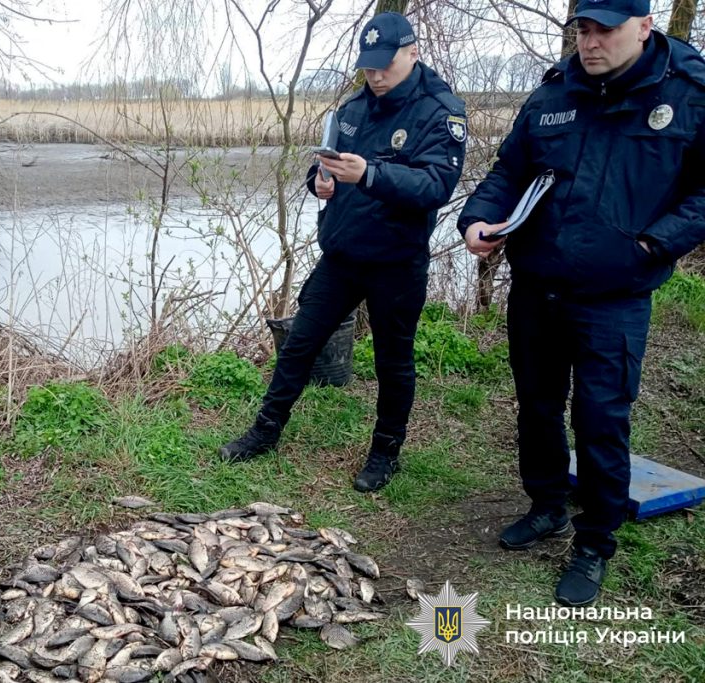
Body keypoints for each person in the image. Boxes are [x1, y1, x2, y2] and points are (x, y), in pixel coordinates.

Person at [459, 0, 705, 606]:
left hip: (615, 298)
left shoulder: (689, 94)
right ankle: (547, 507)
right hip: (538, 287)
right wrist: (479, 218)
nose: (590, 43)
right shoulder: (551, 98)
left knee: (600, 420)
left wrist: (653, 243)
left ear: (645, 28)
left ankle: (594, 543)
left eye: (605, 31)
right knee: (537, 408)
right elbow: (507, 171)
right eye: (582, 30)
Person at [218, 12, 467, 494]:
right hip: (343, 255)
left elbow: (435, 185)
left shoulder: (440, 111)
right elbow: (327, 167)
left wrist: (369, 173)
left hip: (396, 262)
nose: (375, 77)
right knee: (299, 343)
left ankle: (385, 452)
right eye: (368, 67)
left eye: (384, 67)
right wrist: (321, 182)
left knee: (393, 361)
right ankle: (264, 431)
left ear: (412, 54)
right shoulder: (352, 108)